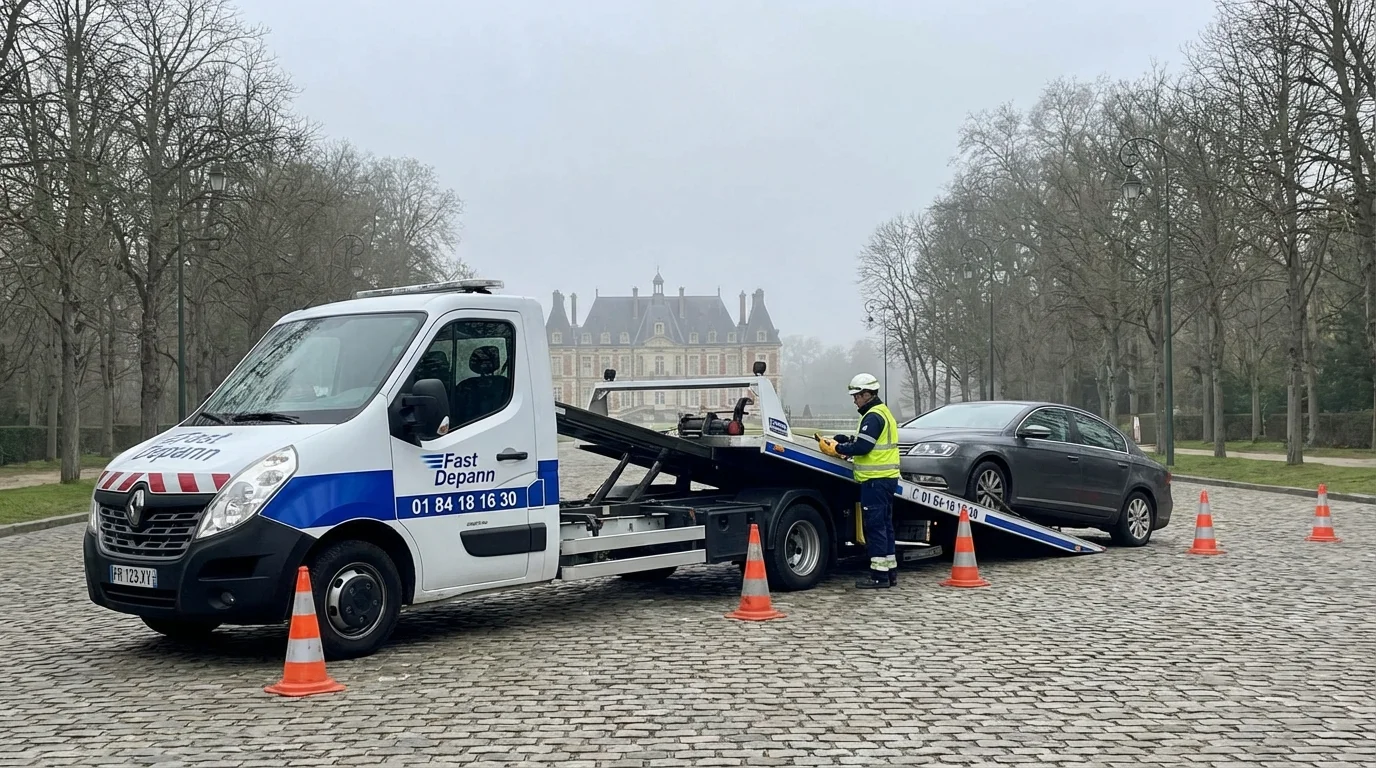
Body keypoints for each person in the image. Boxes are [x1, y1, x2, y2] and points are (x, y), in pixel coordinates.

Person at [816, 373, 900, 589]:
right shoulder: (882, 412)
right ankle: (889, 572)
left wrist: (837, 449)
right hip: (886, 480)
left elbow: (863, 448)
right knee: (885, 526)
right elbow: (865, 441)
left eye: (856, 395)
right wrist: (846, 440)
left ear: (867, 394)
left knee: (875, 527)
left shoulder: (873, 416)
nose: (854, 400)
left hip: (875, 481)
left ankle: (879, 577)